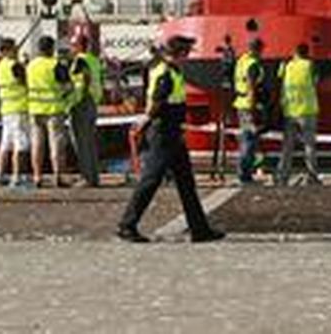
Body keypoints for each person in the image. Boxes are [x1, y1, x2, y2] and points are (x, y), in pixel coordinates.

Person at [117, 35, 225, 244]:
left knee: (186, 182)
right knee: (151, 180)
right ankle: (127, 225)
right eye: (186, 53)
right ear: (180, 53)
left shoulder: (166, 69)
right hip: (163, 133)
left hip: (173, 133)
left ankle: (199, 229)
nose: (187, 57)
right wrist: (144, 122)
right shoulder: (166, 73)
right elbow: (157, 102)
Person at [26, 35, 71, 188]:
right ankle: (58, 176)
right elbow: (68, 87)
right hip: (53, 110)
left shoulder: (30, 65)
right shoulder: (56, 65)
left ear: (39, 49)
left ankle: (37, 176)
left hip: (34, 109)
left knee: (37, 144)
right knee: (56, 145)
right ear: (52, 49)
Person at [276, 42, 321, 186]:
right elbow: (315, 82)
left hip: (290, 111)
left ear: (295, 52)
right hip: (307, 111)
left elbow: (280, 81)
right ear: (307, 53)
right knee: (309, 145)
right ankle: (312, 176)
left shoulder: (287, 66)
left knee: (287, 146)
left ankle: (283, 176)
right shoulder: (309, 65)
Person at [68, 32, 104, 188]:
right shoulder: (94, 60)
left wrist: (78, 98)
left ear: (78, 46)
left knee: (81, 143)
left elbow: (85, 78)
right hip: (93, 103)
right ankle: (94, 177)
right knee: (90, 142)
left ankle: (86, 178)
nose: (71, 48)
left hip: (82, 102)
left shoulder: (80, 61)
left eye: (72, 45)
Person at [0, 37, 29, 188]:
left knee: (4, 145)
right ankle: (16, 177)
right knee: (19, 146)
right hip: (19, 108)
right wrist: (23, 65)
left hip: (6, 109)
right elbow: (25, 82)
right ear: (8, 50)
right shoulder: (16, 66)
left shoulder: (0, 66)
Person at [232, 37, 265, 185]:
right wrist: (253, 107)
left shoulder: (242, 61)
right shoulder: (252, 65)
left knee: (246, 138)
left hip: (240, 103)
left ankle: (245, 171)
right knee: (249, 140)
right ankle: (244, 174)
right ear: (259, 49)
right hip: (247, 104)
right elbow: (251, 86)